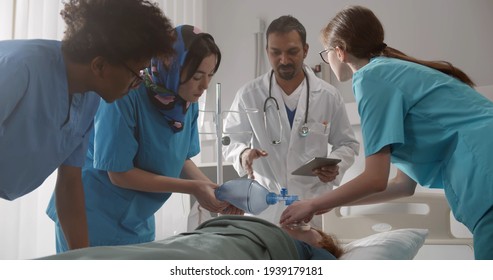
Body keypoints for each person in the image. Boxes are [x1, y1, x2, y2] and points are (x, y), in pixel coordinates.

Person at [280, 5, 493, 260]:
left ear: (340, 51)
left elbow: (375, 178)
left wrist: (316, 203)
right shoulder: (392, 73)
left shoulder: (371, 78)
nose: (329, 59)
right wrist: (328, 202)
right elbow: (401, 186)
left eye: (327, 53)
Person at [47, 25, 243, 253]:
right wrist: (194, 188)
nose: (205, 85)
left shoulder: (186, 103)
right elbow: (119, 173)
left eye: (210, 75)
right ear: (170, 65)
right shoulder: (125, 94)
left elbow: (179, 158)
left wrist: (213, 189)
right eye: (197, 76)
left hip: (137, 220)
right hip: (92, 216)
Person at [0, 0, 175, 250]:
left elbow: (70, 182)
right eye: (137, 73)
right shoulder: (18, 70)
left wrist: (82, 259)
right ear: (100, 66)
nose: (139, 83)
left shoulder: (89, 95)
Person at [222, 15, 359, 227]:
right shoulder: (249, 95)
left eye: (292, 52)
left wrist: (335, 165)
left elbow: (348, 144)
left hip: (312, 205)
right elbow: (229, 140)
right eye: (275, 53)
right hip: (265, 207)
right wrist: (243, 154)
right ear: (267, 51)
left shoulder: (328, 96)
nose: (284, 60)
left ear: (305, 50)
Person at [39, 215, 344, 260]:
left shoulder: (313, 254)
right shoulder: (260, 231)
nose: (298, 225)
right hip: (217, 239)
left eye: (308, 229)